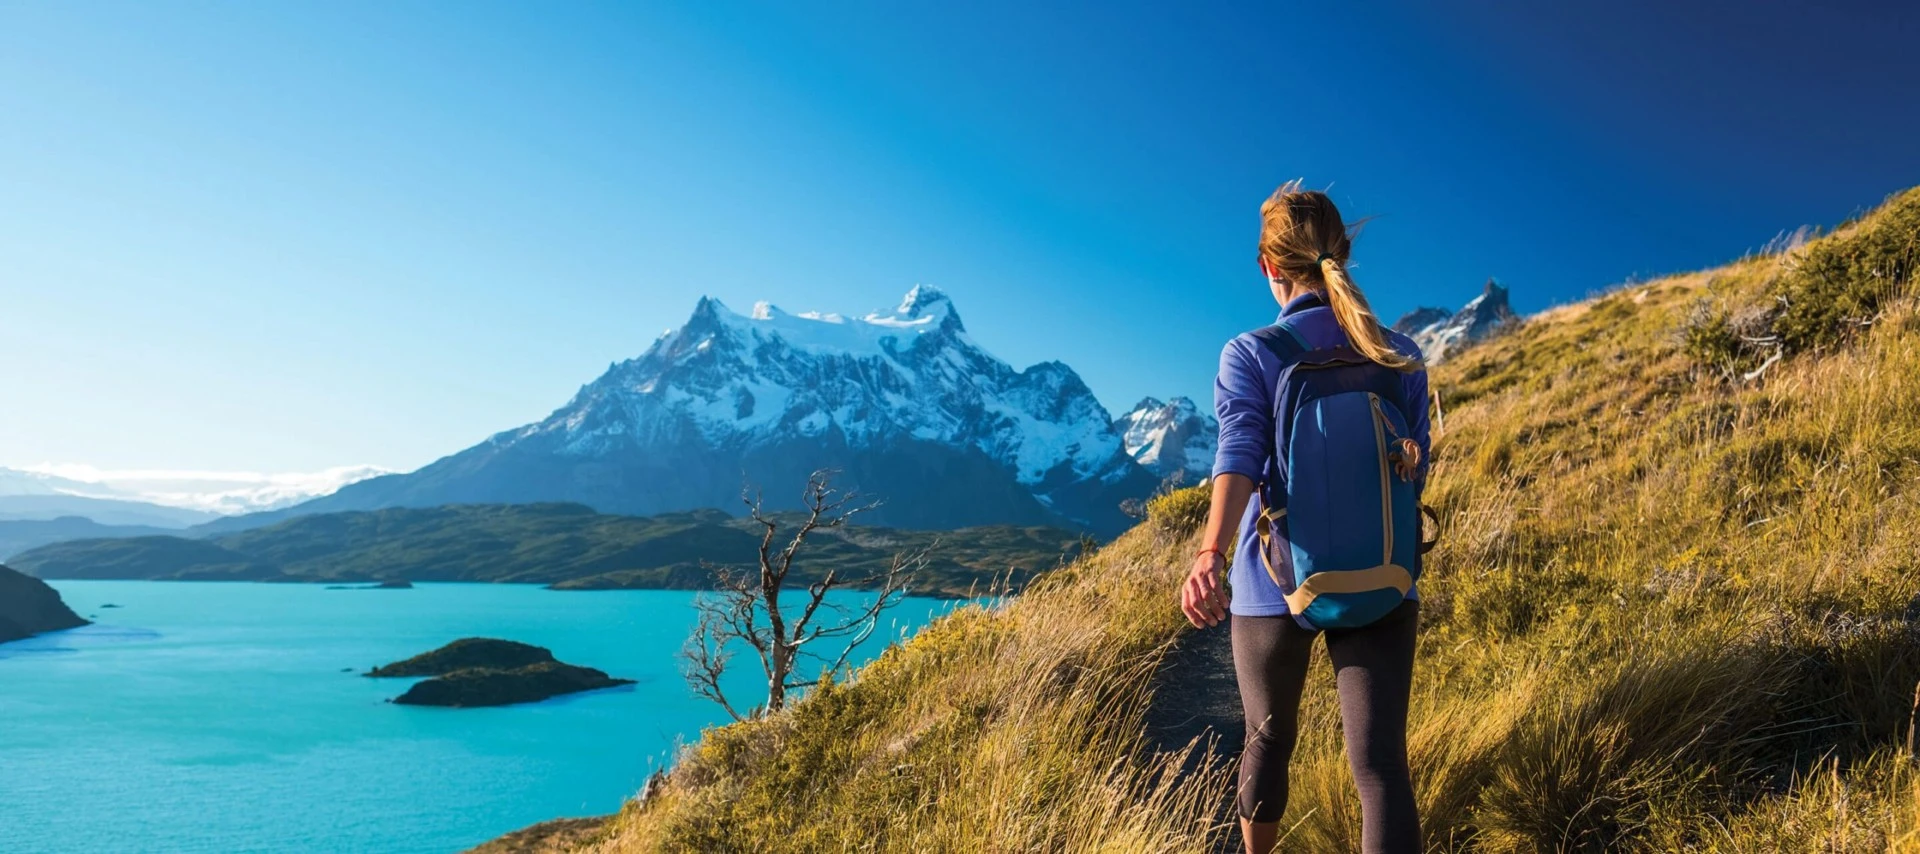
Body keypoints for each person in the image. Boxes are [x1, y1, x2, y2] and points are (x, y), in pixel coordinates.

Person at [1178, 181, 1430, 854]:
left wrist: (1210, 555)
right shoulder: (1399, 353)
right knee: (1380, 769)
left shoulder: (1252, 352)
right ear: (1343, 253)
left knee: (1267, 742)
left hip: (1272, 581)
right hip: (1385, 575)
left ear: (1268, 266)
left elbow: (1239, 453)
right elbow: (1417, 471)